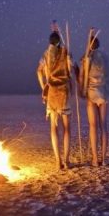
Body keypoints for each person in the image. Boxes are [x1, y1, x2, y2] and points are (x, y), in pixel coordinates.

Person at [37, 21, 75, 170]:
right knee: (67, 128)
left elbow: (38, 71)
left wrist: (44, 86)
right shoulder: (65, 52)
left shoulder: (46, 55)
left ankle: (58, 161)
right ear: (59, 41)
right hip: (64, 93)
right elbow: (71, 67)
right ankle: (66, 160)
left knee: (53, 128)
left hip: (52, 93)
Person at [80, 27, 109, 166]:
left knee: (93, 126)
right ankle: (103, 159)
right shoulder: (105, 57)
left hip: (92, 94)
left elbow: (82, 76)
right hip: (103, 93)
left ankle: (94, 159)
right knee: (103, 126)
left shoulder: (87, 58)